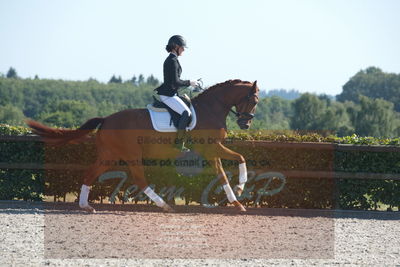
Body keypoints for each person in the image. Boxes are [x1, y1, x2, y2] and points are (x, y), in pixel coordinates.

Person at [154, 35, 199, 151]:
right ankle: (178, 144)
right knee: (186, 113)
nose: (183, 50)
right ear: (175, 47)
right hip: (167, 95)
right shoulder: (172, 61)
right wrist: (190, 82)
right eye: (182, 47)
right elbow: (176, 82)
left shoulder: (173, 60)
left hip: (172, 94)